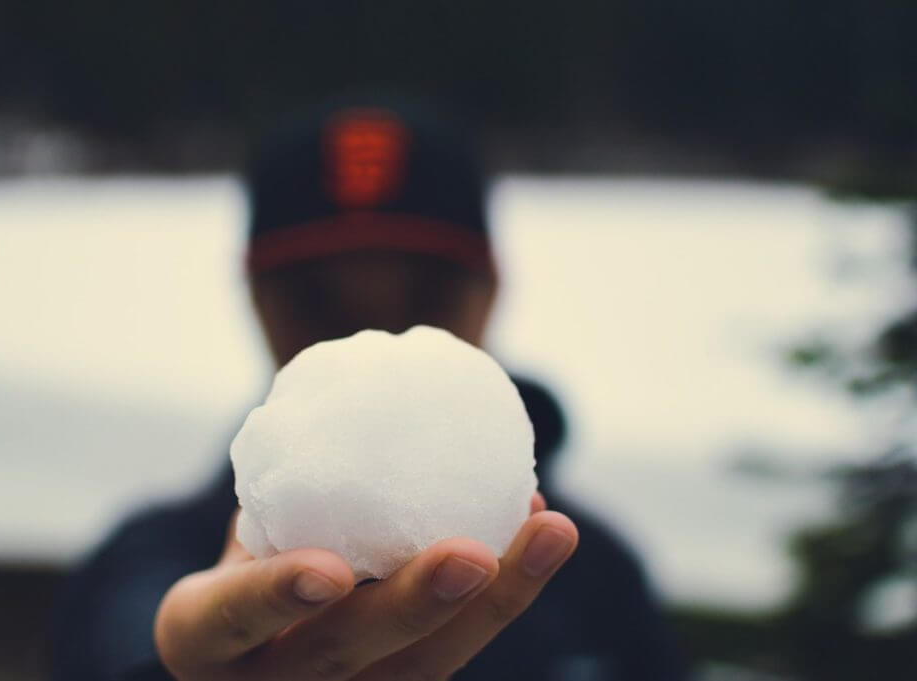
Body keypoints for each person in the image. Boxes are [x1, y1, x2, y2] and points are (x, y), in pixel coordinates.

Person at [51, 98, 686, 681]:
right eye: (318, 299)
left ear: (493, 288)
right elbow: (132, 633)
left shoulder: (593, 575)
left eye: (423, 294)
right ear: (256, 301)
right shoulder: (156, 558)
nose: (372, 336)